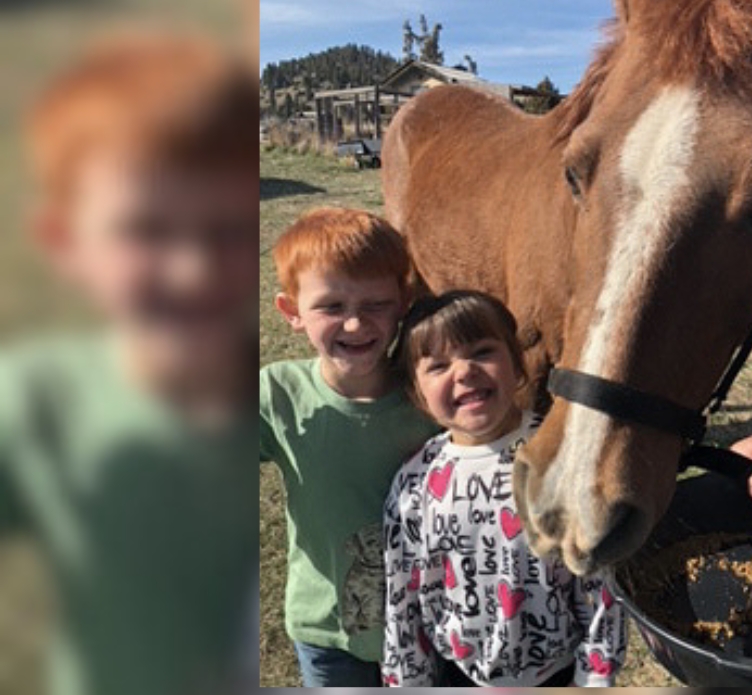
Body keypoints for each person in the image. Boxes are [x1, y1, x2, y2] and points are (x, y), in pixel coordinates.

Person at [0, 33, 257, 695]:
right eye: (146, 230)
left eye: (228, 229)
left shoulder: (279, 388)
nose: (193, 269)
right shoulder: (35, 399)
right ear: (64, 242)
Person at [382, 290, 627, 688]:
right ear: (417, 395)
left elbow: (600, 580)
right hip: (458, 677)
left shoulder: (560, 458)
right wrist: (407, 682)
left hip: (558, 674)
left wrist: (594, 676)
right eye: (439, 365)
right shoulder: (415, 483)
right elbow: (402, 598)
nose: (463, 372)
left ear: (517, 365)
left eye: (481, 351)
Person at [260, 207, 439, 686]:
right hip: (327, 630)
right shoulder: (277, 393)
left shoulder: (429, 396)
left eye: (376, 304)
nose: (356, 325)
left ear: (403, 302)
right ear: (292, 312)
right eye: (332, 307)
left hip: (429, 626)